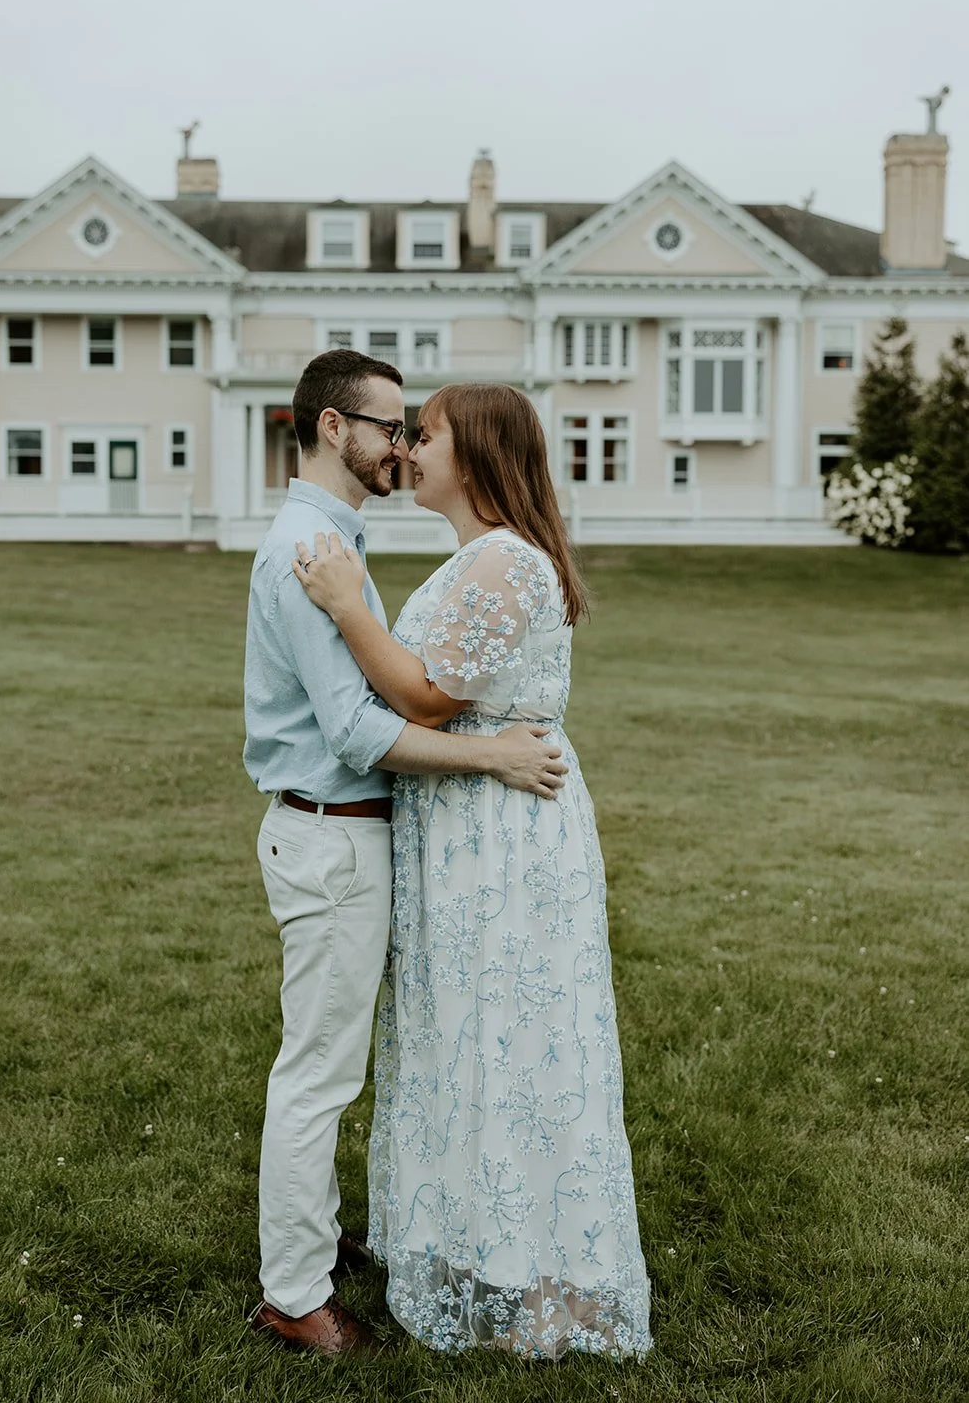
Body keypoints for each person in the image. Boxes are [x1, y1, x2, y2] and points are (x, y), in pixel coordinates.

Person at [292, 382, 652, 1362]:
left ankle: (537, 1272)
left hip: (500, 835)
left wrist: (343, 605)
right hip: (467, 824)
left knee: (505, 1037)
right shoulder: (482, 556)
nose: (408, 449)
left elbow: (425, 695)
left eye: (428, 434)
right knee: (471, 1035)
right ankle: (479, 1239)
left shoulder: (502, 560)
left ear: (479, 452)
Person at [243, 352, 568, 1358]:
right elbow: (354, 729)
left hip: (351, 834)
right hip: (331, 833)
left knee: (339, 1060)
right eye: (392, 427)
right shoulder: (306, 549)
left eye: (415, 431)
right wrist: (493, 757)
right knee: (319, 1073)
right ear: (333, 428)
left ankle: (311, 1239)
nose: (403, 445)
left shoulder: (337, 541)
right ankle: (294, 1295)